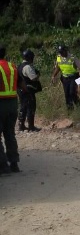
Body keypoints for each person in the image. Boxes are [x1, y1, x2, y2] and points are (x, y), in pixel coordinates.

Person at [0, 44, 28, 174]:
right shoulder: (12, 67)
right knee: (9, 134)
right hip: (12, 104)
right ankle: (14, 164)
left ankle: (3, 166)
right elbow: (23, 85)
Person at [51, 44, 80, 110]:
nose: (61, 54)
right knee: (67, 95)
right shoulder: (59, 57)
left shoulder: (72, 58)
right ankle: (70, 111)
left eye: (62, 52)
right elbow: (58, 68)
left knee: (72, 93)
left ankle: (79, 106)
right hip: (65, 78)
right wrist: (53, 76)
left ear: (65, 50)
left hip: (74, 77)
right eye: (60, 52)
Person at [17, 49, 42, 132]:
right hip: (28, 90)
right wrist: (38, 74)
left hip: (20, 90)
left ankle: (21, 125)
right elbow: (33, 78)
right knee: (31, 107)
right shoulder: (27, 66)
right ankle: (31, 126)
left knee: (23, 107)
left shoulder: (20, 65)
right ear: (30, 57)